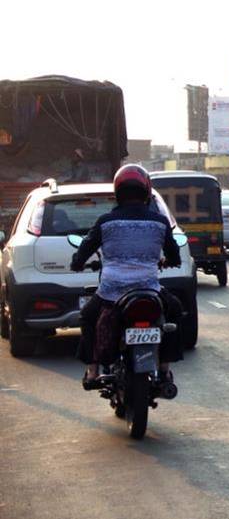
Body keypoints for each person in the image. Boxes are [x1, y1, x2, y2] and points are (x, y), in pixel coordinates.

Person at [71, 164, 184, 388]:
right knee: (175, 310)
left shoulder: (105, 222)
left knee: (87, 316)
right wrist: (167, 261)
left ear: (117, 192)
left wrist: (77, 264)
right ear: (146, 192)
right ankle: (165, 369)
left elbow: (84, 250)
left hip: (111, 292)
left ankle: (92, 371)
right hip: (150, 290)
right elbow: (174, 255)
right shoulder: (160, 222)